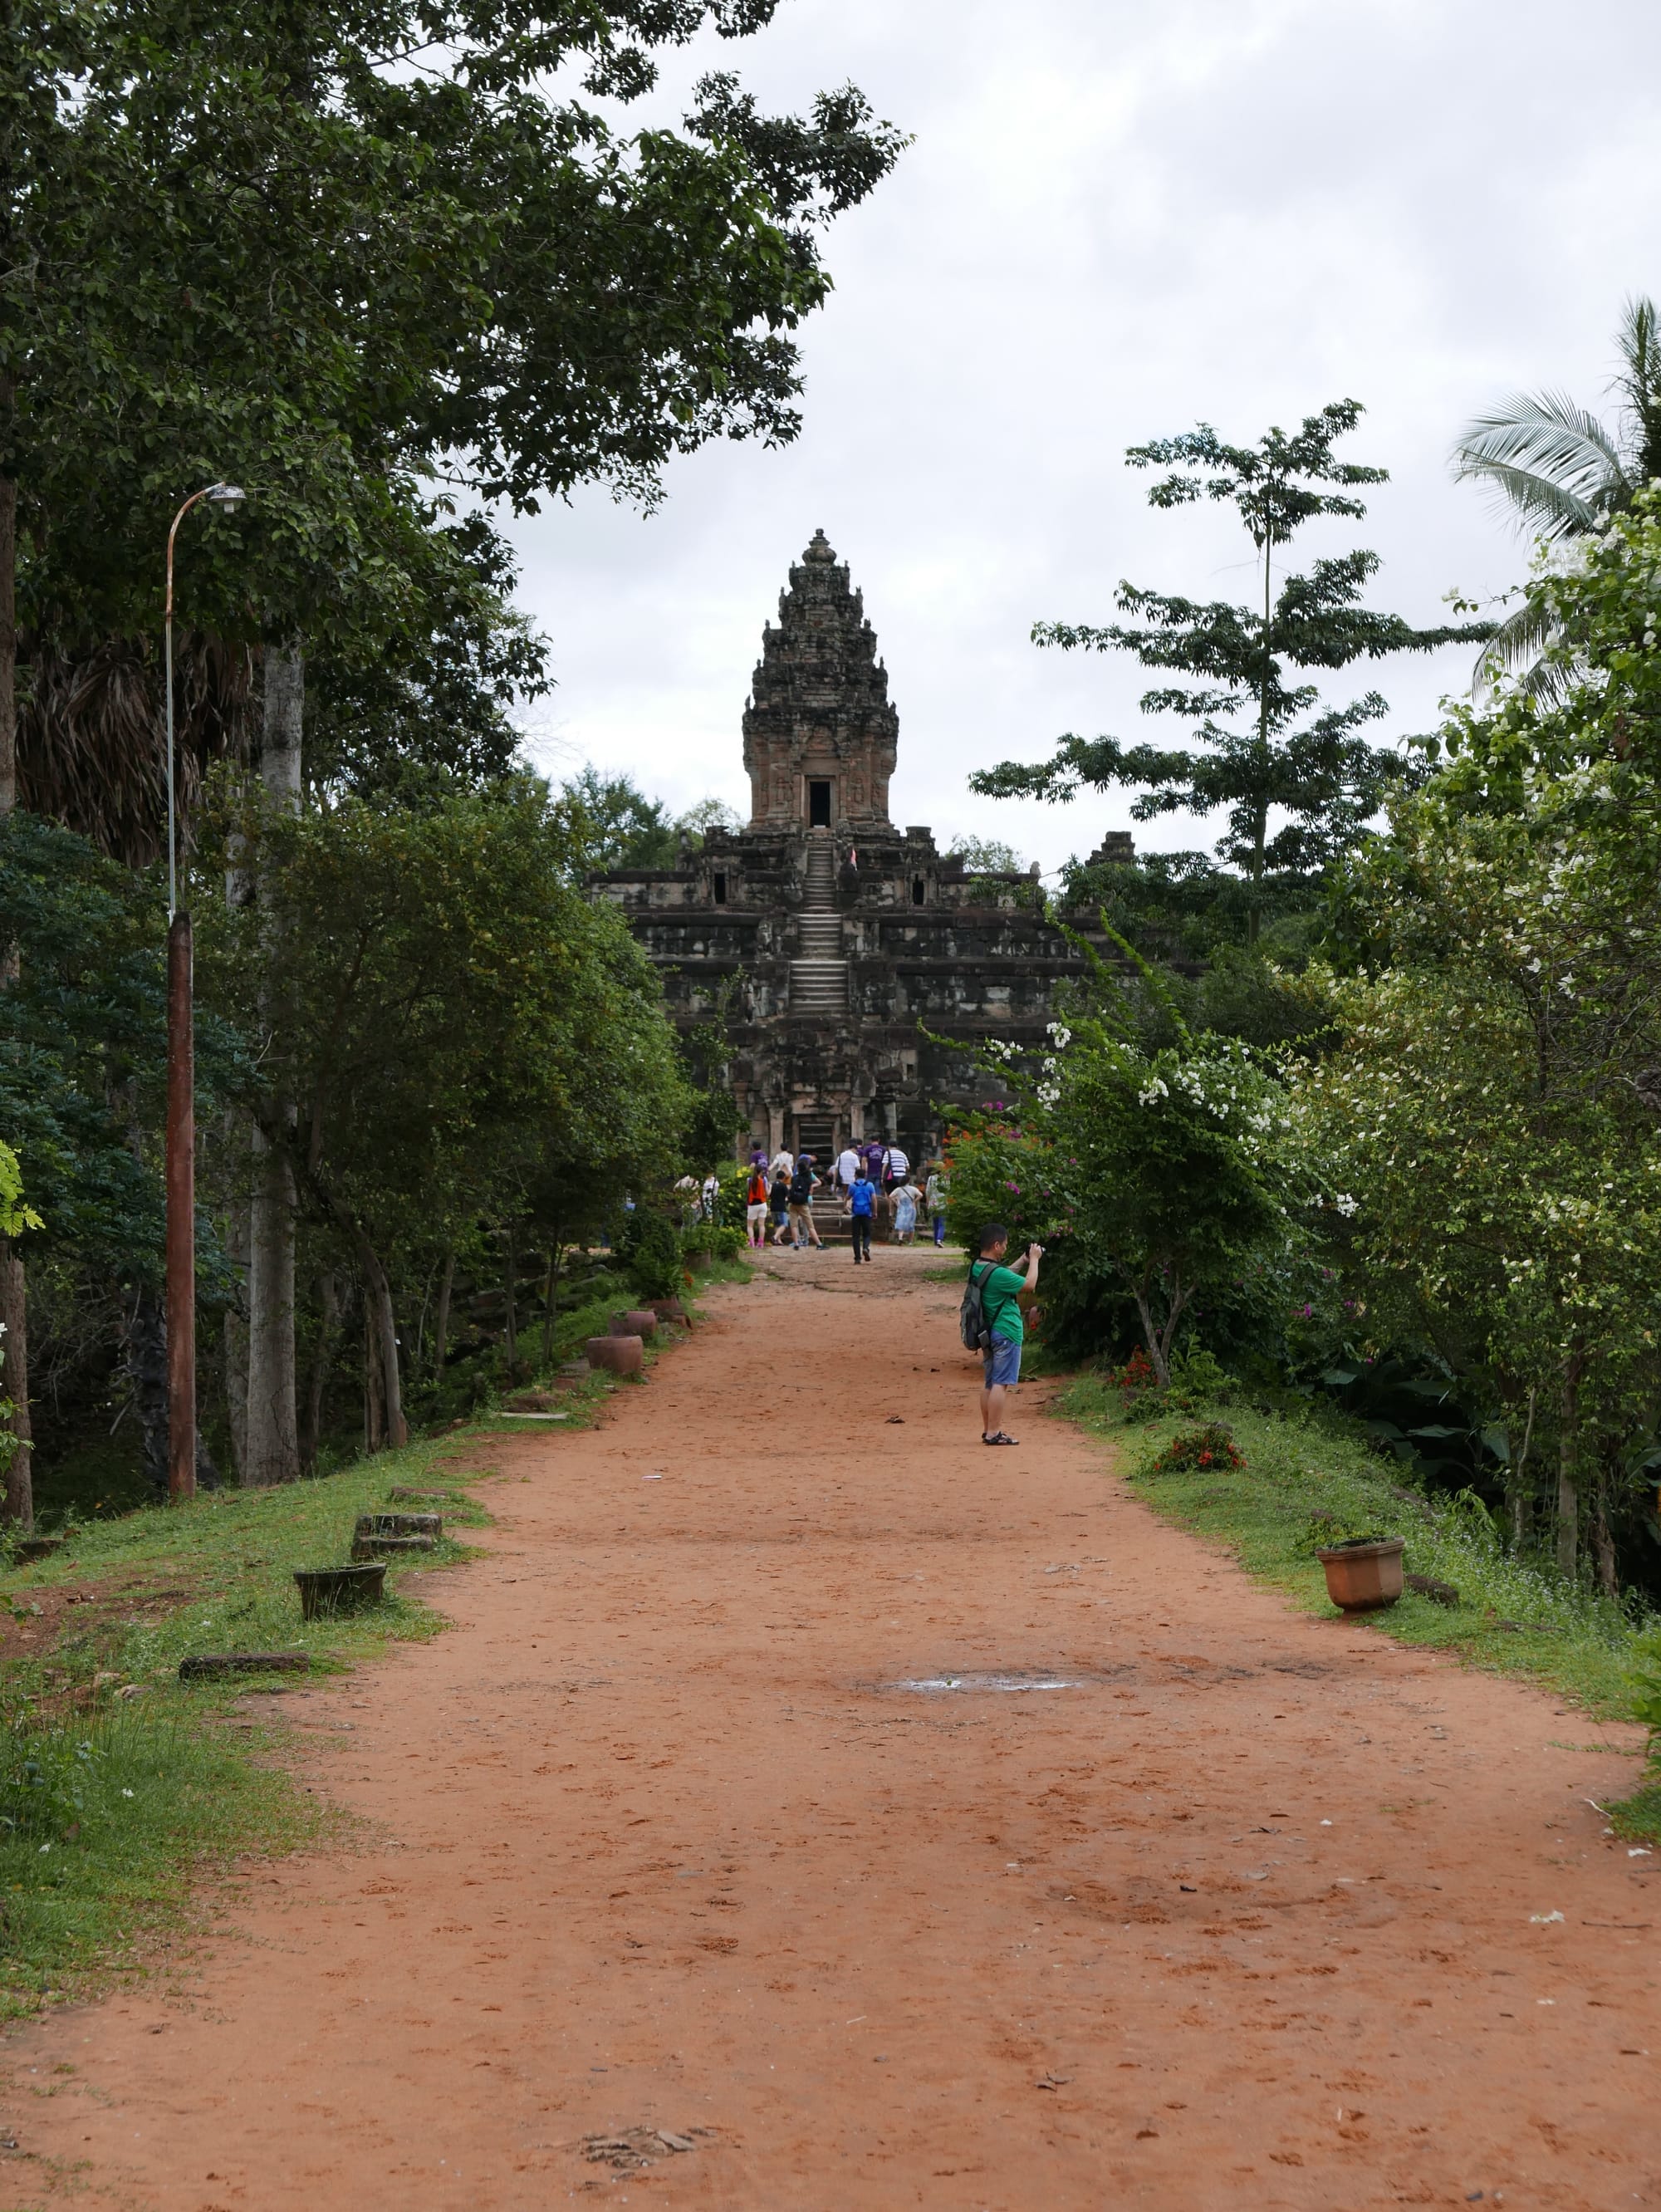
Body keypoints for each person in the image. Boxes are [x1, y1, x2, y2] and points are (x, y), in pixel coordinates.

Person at [969, 1221, 1041, 1445]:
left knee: (990, 1383)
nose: (1006, 1249)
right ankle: (994, 1433)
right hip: (1006, 1332)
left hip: (989, 1333)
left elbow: (1000, 1274)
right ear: (997, 1245)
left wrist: (1022, 1260)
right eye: (1005, 1245)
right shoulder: (998, 1274)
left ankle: (988, 1429)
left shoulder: (978, 1267)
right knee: (1001, 1383)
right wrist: (1035, 1260)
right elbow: (1029, 1285)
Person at [787, 1153, 823, 1249]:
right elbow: (811, 1189)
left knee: (794, 1224)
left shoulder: (794, 1178)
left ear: (798, 1169)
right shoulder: (809, 1177)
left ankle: (796, 1243)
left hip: (793, 1203)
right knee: (809, 1224)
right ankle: (818, 1243)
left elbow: (791, 1188)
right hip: (804, 1202)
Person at [848, 1164, 876, 1263]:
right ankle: (866, 1248)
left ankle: (857, 1258)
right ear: (865, 1175)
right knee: (867, 1234)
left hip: (856, 1213)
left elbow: (847, 1198)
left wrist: (844, 1207)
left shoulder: (852, 1185)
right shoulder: (870, 1185)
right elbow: (874, 1199)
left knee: (855, 1236)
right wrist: (875, 1211)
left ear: (855, 1175)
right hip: (866, 1212)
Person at [743, 1159, 771, 1250]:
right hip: (762, 1204)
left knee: (750, 1225)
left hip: (752, 1204)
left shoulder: (749, 1180)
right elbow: (767, 1193)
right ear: (761, 1171)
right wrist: (770, 1188)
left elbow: (747, 1190)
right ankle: (761, 1242)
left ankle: (751, 1242)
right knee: (761, 1225)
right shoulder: (764, 1180)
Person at [925, 1161, 949, 1247]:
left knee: (935, 1222)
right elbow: (948, 1190)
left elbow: (928, 1191)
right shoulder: (946, 1178)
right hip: (942, 1202)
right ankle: (940, 1239)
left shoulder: (931, 1178)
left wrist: (928, 1201)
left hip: (933, 1202)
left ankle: (936, 1240)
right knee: (942, 1223)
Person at [768, 1164, 793, 1246]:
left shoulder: (773, 1185)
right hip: (781, 1207)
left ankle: (778, 1241)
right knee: (784, 1224)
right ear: (783, 1177)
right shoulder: (783, 1185)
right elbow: (788, 1195)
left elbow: (770, 1195)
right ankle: (775, 1237)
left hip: (773, 1206)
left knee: (777, 1224)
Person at [891, 1175, 921, 1243]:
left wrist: (896, 1203)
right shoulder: (913, 1188)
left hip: (902, 1207)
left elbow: (891, 1196)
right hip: (911, 1207)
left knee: (901, 1222)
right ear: (908, 1181)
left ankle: (900, 1238)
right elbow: (920, 1195)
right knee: (911, 1224)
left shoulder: (899, 1189)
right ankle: (910, 1242)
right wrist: (914, 1201)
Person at [835, 1140, 860, 1204]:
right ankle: (848, 1208)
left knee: (842, 1193)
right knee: (850, 1194)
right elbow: (858, 1168)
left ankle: (842, 1207)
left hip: (842, 1179)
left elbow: (836, 1167)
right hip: (851, 1179)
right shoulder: (854, 1156)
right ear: (854, 1149)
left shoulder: (841, 1155)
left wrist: (835, 1179)